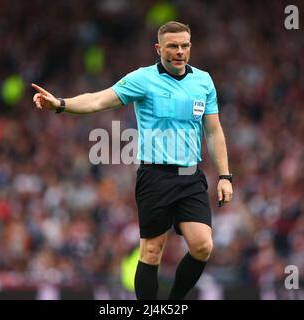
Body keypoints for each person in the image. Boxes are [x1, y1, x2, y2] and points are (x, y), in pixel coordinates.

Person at [32, 21, 233, 300]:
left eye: (184, 46)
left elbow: (213, 130)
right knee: (152, 251)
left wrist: (225, 176)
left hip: (190, 176)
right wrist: (61, 104)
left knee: (202, 246)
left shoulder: (203, 81)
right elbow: (98, 100)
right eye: (172, 46)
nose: (179, 51)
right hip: (155, 176)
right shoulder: (143, 79)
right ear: (158, 48)